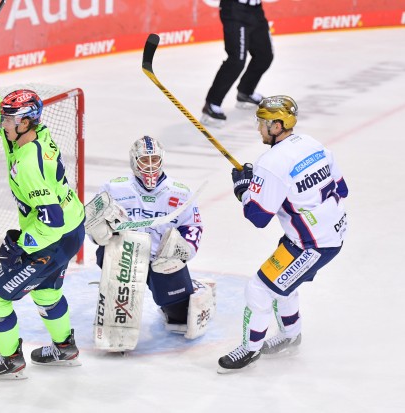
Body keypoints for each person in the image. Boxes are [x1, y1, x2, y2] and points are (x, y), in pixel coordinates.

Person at [0, 40, 86, 379]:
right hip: (73, 229)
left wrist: (20, 247)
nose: (3, 122)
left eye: (10, 119)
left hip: (53, 237)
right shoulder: (27, 134)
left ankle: (11, 360)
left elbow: (51, 222)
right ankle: (65, 348)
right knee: (46, 293)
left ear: (26, 123)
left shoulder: (30, 164)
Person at [218, 96, 348, 373]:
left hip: (313, 244)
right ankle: (291, 335)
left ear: (277, 126)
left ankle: (251, 350)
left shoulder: (270, 163)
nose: (258, 129)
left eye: (262, 123)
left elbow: (258, 217)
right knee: (282, 286)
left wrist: (243, 189)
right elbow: (342, 188)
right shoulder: (313, 145)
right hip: (324, 232)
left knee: (259, 289)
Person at [86, 136, 214, 341]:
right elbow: (92, 224)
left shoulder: (180, 192)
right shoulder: (113, 189)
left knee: (179, 320)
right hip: (125, 257)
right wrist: (99, 233)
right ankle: (117, 318)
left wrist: (183, 250)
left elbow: (193, 226)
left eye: (155, 159)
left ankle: (193, 287)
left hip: (162, 260)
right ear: (134, 161)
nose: (151, 166)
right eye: (145, 160)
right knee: (109, 255)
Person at [201, 0, 274, 126]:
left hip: (256, 10)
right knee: (236, 60)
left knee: (265, 56)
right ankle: (212, 104)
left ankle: (245, 92)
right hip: (234, 9)